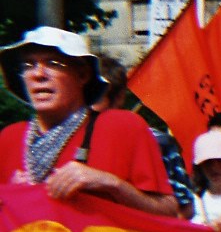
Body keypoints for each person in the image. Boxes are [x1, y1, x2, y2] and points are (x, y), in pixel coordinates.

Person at [0, 27, 176, 217]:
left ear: (82, 75)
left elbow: (168, 212)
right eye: (29, 65)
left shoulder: (120, 126)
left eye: (53, 63)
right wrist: (10, 198)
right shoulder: (10, 137)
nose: (38, 74)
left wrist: (110, 184)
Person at [96, 54, 195, 217]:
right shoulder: (66, 138)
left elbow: (184, 209)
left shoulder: (158, 141)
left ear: (119, 97)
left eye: (95, 96)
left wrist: (116, 187)